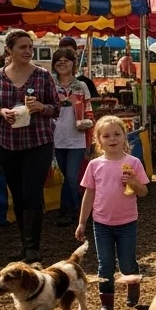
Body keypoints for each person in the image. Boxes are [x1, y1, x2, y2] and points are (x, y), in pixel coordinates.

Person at [0, 30, 59, 262]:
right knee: (17, 195)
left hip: (38, 143)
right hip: (8, 145)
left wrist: (41, 108)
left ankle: (33, 248)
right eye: (22, 47)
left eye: (30, 46)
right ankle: (24, 244)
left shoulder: (42, 75)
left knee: (31, 193)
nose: (28, 51)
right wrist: (0, 112)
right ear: (9, 50)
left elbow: (56, 107)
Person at [75, 116, 149, 310]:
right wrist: (82, 222)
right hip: (101, 223)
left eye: (117, 134)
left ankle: (132, 285)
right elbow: (89, 194)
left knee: (127, 262)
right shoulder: (94, 165)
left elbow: (143, 192)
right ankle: (106, 306)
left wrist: (133, 182)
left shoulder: (133, 163)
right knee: (105, 264)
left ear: (125, 137)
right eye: (106, 135)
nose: (112, 139)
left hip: (127, 222)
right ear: (99, 141)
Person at [49, 47, 94, 227]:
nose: (62, 63)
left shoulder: (81, 86)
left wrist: (89, 132)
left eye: (66, 60)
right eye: (58, 60)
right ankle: (68, 211)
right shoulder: (50, 84)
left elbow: (89, 111)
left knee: (72, 176)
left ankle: (76, 212)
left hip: (77, 139)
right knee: (67, 177)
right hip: (56, 138)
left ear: (73, 63)